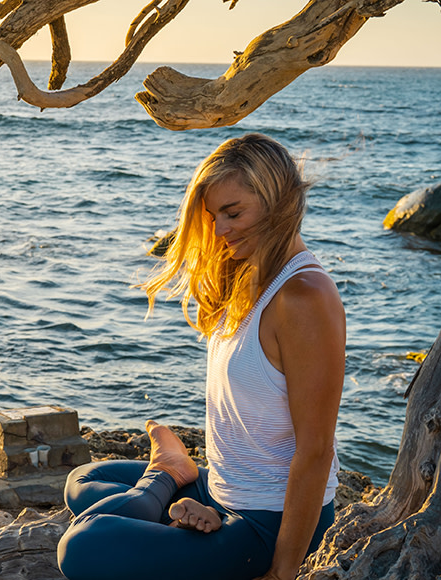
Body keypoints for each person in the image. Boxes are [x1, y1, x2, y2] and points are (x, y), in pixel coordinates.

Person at [56, 133, 345, 580]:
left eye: (233, 213)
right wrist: (204, 499)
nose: (219, 229)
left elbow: (316, 450)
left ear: (279, 204)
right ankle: (174, 478)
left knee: (81, 546)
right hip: (218, 488)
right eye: (213, 216)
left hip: (264, 522)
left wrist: (282, 572)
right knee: (83, 481)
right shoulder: (246, 272)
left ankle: (172, 487)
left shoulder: (304, 297)